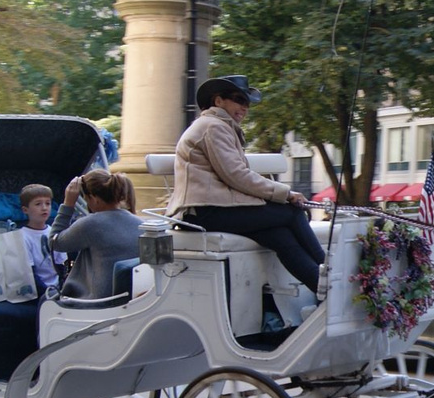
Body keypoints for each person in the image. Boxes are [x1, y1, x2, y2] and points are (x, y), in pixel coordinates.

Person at [166, 75, 325, 296]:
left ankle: (321, 287)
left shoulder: (217, 126)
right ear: (219, 101)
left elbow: (235, 177)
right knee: (292, 213)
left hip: (210, 209)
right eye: (239, 100)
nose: (244, 108)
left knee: (280, 236)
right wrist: (286, 194)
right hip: (204, 212)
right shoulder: (213, 126)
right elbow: (236, 175)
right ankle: (329, 275)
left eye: (247, 104)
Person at [49, 170, 139, 300]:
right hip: (130, 297)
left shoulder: (90, 224)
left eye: (86, 199)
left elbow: (54, 242)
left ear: (95, 199)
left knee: (45, 301)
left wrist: (68, 204)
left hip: (97, 301)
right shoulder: (139, 222)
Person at [17, 184, 66, 292]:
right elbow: (30, 273)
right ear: (25, 210)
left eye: (48, 203)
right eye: (38, 204)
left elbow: (62, 265)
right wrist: (47, 293)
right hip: (38, 290)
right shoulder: (22, 237)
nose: (44, 208)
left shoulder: (54, 232)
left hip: (58, 289)